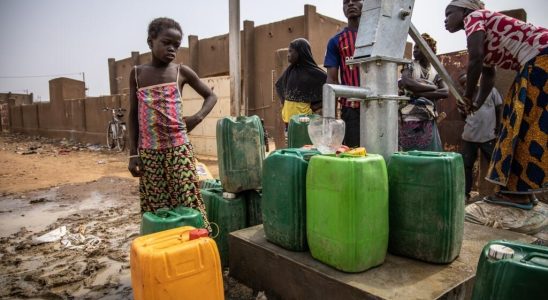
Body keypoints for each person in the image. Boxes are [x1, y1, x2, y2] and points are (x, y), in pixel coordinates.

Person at [445, 0, 547, 209]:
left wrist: (466, 97)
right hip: (537, 60)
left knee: (519, 124)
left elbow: (475, 60)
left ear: (464, 11)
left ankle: (517, 194)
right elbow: (488, 76)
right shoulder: (485, 31)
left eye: (449, 14)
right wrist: (475, 104)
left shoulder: (474, 18)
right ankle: (523, 192)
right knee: (525, 125)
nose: (445, 21)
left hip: (540, 59)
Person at [128, 17, 217, 231]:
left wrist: (197, 117)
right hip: (149, 153)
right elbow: (133, 115)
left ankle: (199, 247)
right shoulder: (138, 74)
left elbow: (211, 96)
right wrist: (133, 153)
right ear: (151, 42)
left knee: (188, 201)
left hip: (179, 150)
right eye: (166, 42)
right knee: (158, 209)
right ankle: (165, 250)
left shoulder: (181, 72)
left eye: (176, 45)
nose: (172, 49)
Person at [398, 33, 448, 151]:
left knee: (429, 154)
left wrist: (417, 93)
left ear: (429, 50)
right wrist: (432, 87)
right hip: (408, 119)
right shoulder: (410, 65)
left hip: (428, 119)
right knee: (408, 154)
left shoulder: (435, 71)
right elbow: (407, 83)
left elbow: (445, 92)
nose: (415, 50)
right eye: (415, 47)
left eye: (418, 47)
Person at [458, 72, 503, 201]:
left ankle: (502, 192)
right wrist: (462, 110)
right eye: (463, 85)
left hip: (488, 136)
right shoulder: (463, 98)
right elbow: (463, 118)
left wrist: (498, 127)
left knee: (495, 165)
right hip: (469, 137)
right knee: (466, 166)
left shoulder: (490, 91)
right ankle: (465, 194)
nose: (466, 85)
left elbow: (499, 108)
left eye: (467, 82)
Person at [324, 0, 363, 147]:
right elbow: (331, 81)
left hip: (379, 107)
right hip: (351, 110)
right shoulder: (336, 41)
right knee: (354, 154)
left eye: (356, 0)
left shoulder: (380, 36)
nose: (351, 4)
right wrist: (330, 120)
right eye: (346, 2)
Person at [275, 38, 326, 127]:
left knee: (303, 140)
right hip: (289, 121)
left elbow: (328, 92)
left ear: (301, 52)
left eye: (291, 51)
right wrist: (285, 103)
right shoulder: (290, 71)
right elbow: (279, 85)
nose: (288, 55)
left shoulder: (315, 73)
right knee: (291, 141)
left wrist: (313, 108)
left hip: (305, 121)